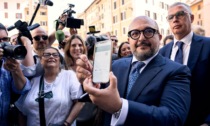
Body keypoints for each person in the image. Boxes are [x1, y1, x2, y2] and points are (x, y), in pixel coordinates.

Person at [76, 16, 191, 126]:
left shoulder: (177, 71)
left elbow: (173, 119)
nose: (141, 38)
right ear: (129, 39)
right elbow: (100, 94)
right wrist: (89, 82)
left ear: (159, 37)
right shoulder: (115, 65)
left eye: (148, 31)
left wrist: (120, 107)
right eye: (135, 33)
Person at [159, 2, 210, 126]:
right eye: (170, 17)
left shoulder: (208, 46)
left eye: (180, 14)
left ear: (191, 18)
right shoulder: (162, 52)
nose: (175, 19)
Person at [15, 47, 84, 126]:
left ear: (59, 60)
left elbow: (79, 102)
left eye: (55, 55)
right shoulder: (34, 81)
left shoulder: (69, 76)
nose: (51, 56)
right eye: (47, 55)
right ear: (41, 61)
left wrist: (66, 124)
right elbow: (20, 110)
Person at [0, 23, 31, 126]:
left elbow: (22, 88)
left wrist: (16, 70)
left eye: (5, 39)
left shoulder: (7, 60)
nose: (2, 44)